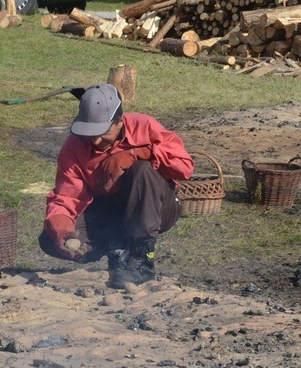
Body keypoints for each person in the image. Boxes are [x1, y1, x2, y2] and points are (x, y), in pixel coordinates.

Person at [39, 83, 194, 288]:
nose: (95, 141)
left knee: (142, 171)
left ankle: (141, 259)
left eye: (102, 132)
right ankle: (116, 248)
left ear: (119, 122)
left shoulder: (144, 126)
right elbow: (68, 196)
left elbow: (185, 168)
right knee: (49, 241)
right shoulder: (74, 147)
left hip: (159, 208)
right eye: (90, 133)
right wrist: (61, 227)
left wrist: (139, 153)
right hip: (111, 213)